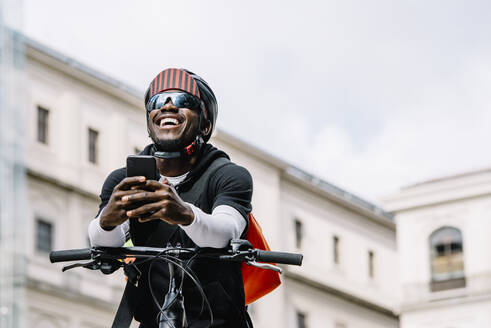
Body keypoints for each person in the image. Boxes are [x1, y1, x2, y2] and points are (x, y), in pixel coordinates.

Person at [88, 68, 253, 328]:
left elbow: (226, 231)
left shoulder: (228, 175)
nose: (167, 106)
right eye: (157, 102)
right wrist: (106, 222)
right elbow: (104, 246)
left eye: (183, 101)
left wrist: (184, 214)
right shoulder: (123, 180)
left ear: (205, 123)